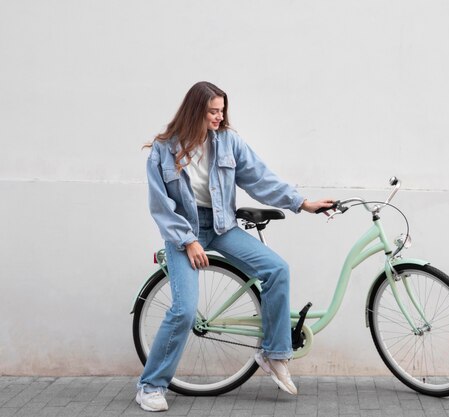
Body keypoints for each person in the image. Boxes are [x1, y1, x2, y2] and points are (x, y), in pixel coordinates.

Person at [136, 81, 334, 412]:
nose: (219, 117)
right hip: (184, 232)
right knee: (184, 310)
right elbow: (160, 207)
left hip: (222, 225)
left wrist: (303, 203)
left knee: (276, 269)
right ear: (195, 111)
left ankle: (273, 354)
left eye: (222, 110)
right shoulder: (164, 149)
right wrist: (188, 241)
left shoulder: (229, 142)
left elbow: (261, 179)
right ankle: (150, 385)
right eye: (212, 111)